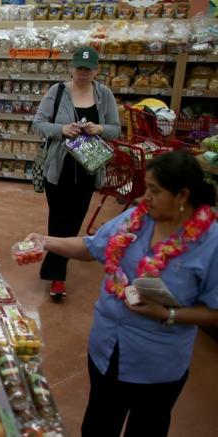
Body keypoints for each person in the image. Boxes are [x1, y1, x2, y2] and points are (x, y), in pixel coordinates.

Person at [26, 151, 218, 437]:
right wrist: (47, 241)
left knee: (147, 429)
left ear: (182, 196)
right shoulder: (137, 219)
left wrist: (167, 314)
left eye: (154, 190)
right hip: (106, 347)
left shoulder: (210, 242)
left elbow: (214, 312)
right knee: (98, 425)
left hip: (156, 364)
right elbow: (92, 247)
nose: (144, 198)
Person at [31, 46, 121, 299]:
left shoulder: (104, 95)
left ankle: (53, 267)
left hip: (88, 170)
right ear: (71, 67)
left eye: (88, 68)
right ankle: (57, 276)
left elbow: (116, 129)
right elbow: (38, 124)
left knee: (74, 222)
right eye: (79, 67)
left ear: (96, 69)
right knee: (59, 220)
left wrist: (100, 128)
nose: (83, 72)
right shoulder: (57, 91)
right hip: (58, 170)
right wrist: (61, 130)